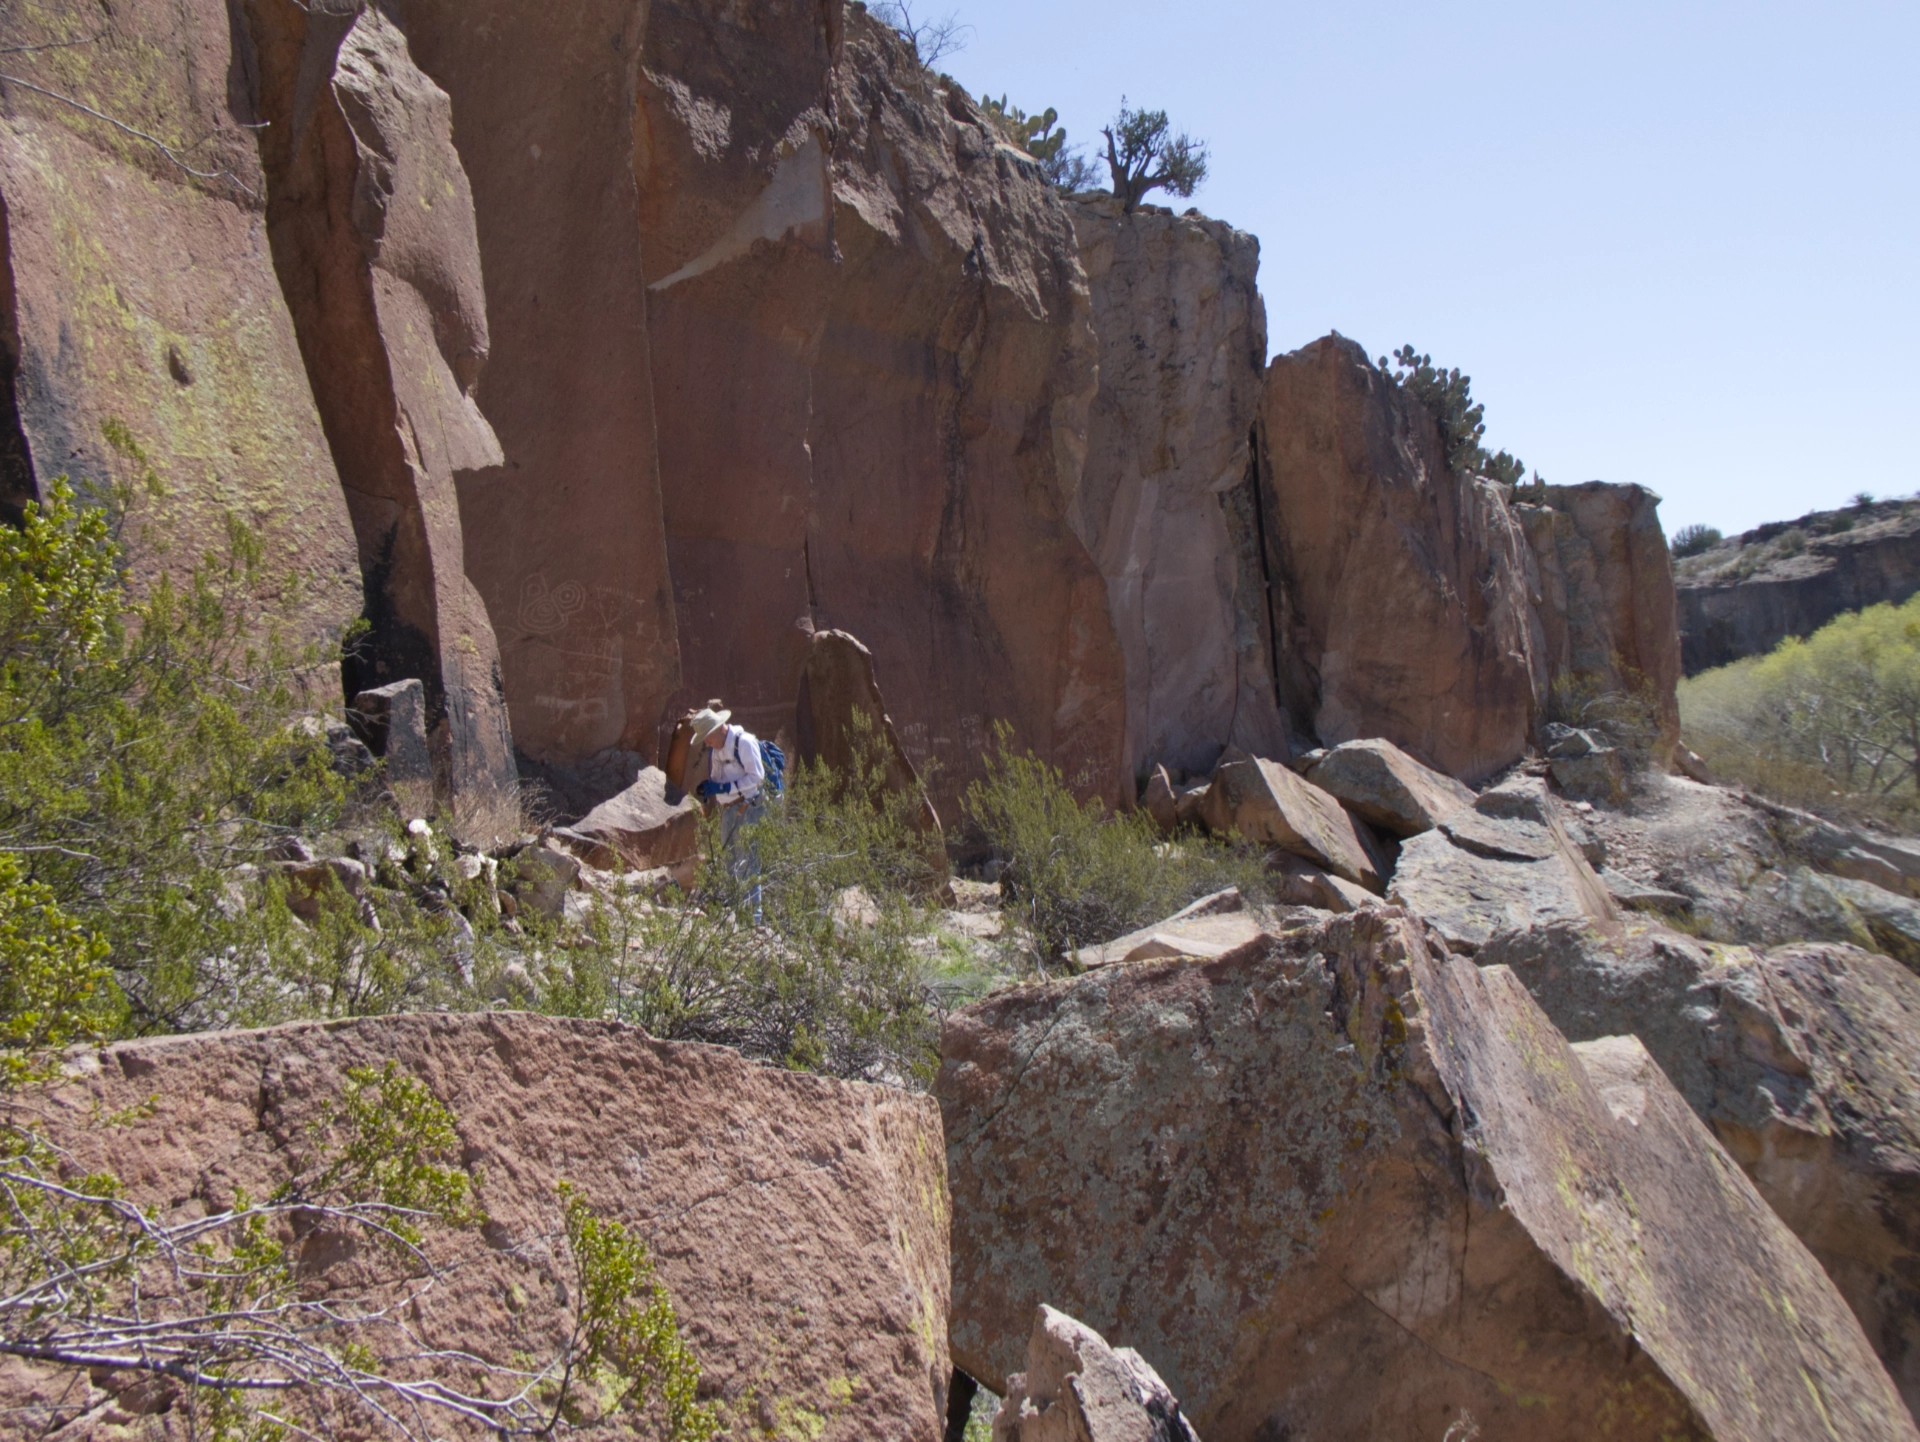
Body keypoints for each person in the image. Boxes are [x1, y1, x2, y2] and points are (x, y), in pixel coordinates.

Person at [687, 704, 767, 918]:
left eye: (707, 737)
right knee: (729, 861)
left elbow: (757, 778)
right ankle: (732, 913)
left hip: (749, 808)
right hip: (729, 811)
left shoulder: (744, 742)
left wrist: (725, 788)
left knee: (748, 862)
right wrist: (709, 786)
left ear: (717, 729)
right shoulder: (716, 750)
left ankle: (753, 918)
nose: (706, 742)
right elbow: (717, 778)